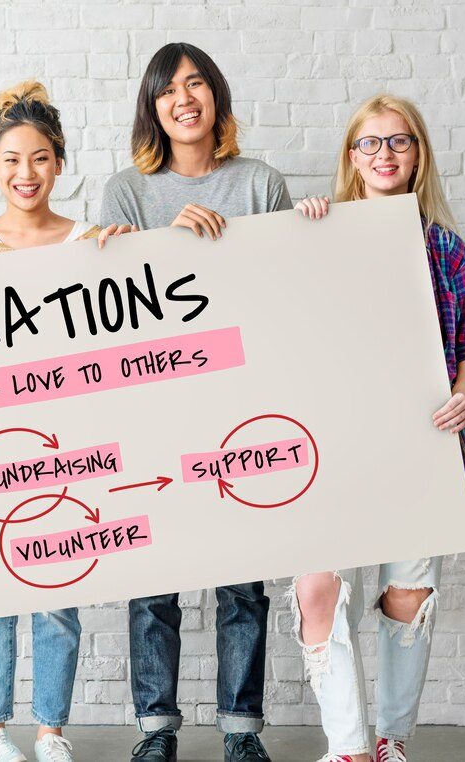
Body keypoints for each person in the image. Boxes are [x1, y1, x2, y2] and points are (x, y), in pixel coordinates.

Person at [99, 42, 293, 762]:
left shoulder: (259, 182)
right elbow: (111, 303)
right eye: (167, 90)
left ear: (217, 96)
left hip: (238, 405)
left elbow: (279, 291)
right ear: (151, 109)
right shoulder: (127, 189)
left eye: (196, 84)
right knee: (156, 580)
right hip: (153, 408)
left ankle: (242, 733)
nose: (184, 98)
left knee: (242, 580)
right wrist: (167, 248)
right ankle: (158, 732)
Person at [290, 94, 465, 762]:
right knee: (317, 585)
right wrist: (304, 235)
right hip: (334, 441)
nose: (384, 154)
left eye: (398, 142)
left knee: (408, 592)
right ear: (351, 158)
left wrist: (463, 395)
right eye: (370, 144)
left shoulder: (445, 247)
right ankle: (346, 747)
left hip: (423, 440)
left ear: (418, 153)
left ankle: (389, 742)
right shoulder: (317, 233)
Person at [0, 80, 129, 762]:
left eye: (41, 158)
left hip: (69, 441)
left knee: (57, 592)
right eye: (12, 160)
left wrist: (125, 258)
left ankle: (52, 730)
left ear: (60, 163)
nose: (26, 174)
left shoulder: (93, 241)